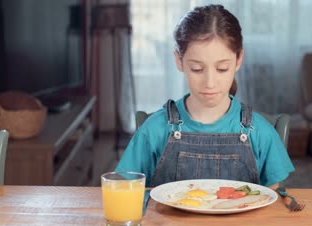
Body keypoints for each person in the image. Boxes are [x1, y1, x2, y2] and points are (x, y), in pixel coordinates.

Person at [116, 4, 294, 189]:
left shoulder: (261, 133)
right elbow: (125, 190)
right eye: (197, 69)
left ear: (239, 60)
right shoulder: (153, 131)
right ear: (179, 61)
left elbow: (272, 204)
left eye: (222, 69)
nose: (210, 82)